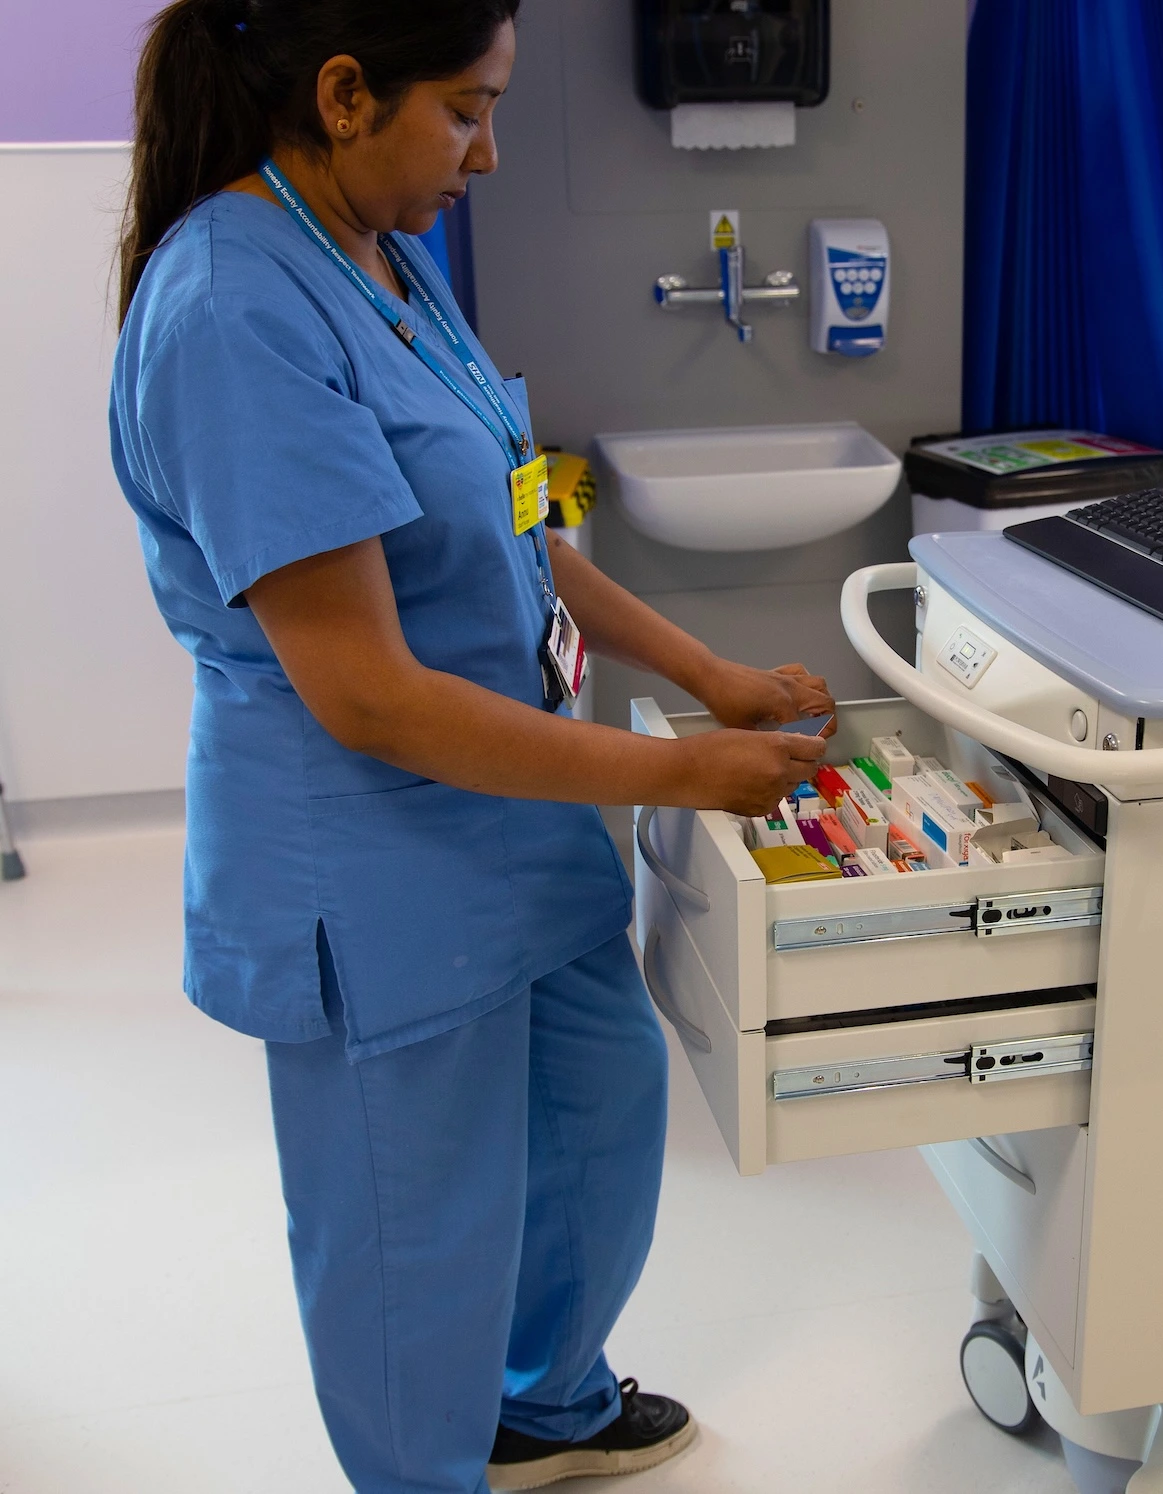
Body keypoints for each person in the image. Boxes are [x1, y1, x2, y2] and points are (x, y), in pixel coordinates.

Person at [109, 3, 834, 1490]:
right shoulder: (232, 311)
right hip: (369, 848)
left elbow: (516, 511)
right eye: (467, 109)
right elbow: (367, 694)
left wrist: (706, 672)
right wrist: (682, 769)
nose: (489, 152)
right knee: (411, 1230)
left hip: (513, 806)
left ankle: (541, 1405)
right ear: (344, 94)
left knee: (599, 1112)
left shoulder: (387, 261)